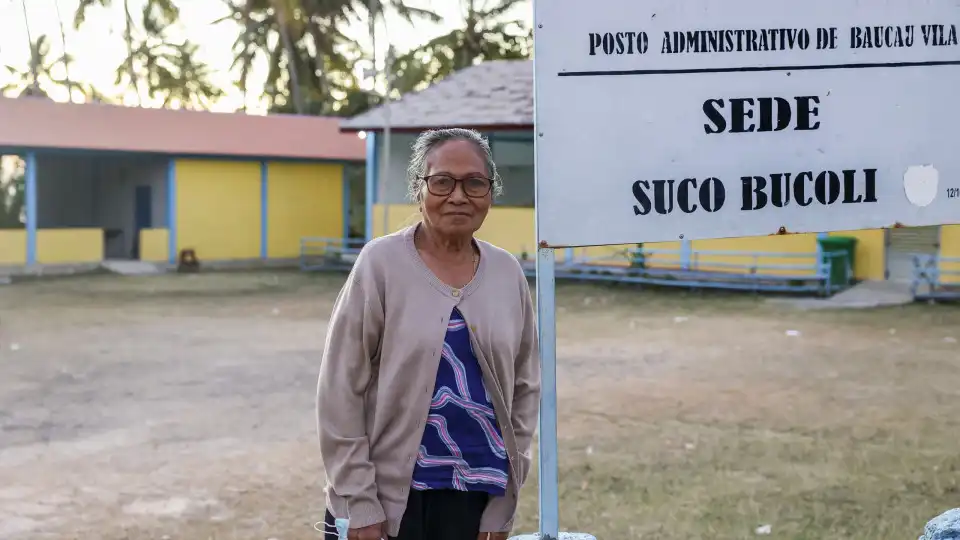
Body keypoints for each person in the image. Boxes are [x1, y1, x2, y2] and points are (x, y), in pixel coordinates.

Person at [317, 128, 541, 540]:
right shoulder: (380, 264)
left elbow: (526, 390)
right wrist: (359, 501)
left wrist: (502, 504)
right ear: (419, 189)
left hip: (475, 500)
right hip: (387, 501)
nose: (458, 196)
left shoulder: (508, 273)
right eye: (442, 182)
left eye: (474, 183)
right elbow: (340, 388)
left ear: (491, 192)